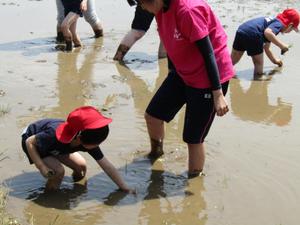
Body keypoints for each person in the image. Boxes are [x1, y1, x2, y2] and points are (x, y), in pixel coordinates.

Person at [137, 0, 234, 177]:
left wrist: (218, 93)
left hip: (210, 78)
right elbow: (171, 45)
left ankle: (194, 179)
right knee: (152, 116)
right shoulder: (160, 9)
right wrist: (171, 75)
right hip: (183, 72)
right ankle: (156, 153)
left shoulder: (188, 11)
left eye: (142, 3)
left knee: (193, 138)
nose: (142, 7)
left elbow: (208, 52)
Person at [21, 106, 134, 193]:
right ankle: (50, 195)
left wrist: (124, 187)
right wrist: (41, 166)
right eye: (97, 143)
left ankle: (71, 186)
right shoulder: (53, 134)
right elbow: (29, 142)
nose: (98, 146)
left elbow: (107, 166)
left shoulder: (87, 137)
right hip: (35, 144)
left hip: (57, 146)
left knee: (81, 166)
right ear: (80, 139)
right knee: (58, 171)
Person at [231, 8, 300, 78]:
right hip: (254, 34)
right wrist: (282, 46)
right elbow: (268, 32)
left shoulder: (271, 21)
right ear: (290, 25)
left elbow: (267, 48)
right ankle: (257, 81)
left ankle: (222, 72)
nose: (290, 31)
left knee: (233, 59)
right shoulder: (278, 24)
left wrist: (275, 61)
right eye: (292, 29)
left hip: (242, 30)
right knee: (259, 63)